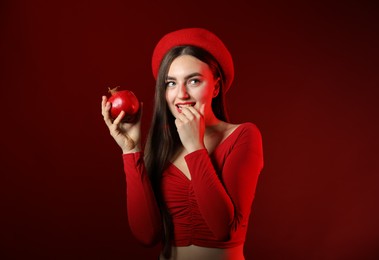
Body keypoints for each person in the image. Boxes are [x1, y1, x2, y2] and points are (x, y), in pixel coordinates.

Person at [101, 28, 264, 260]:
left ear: (216, 87)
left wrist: (195, 147)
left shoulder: (243, 135)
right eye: (171, 83)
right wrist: (131, 149)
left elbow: (223, 230)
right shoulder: (164, 145)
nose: (181, 94)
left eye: (194, 81)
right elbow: (146, 235)